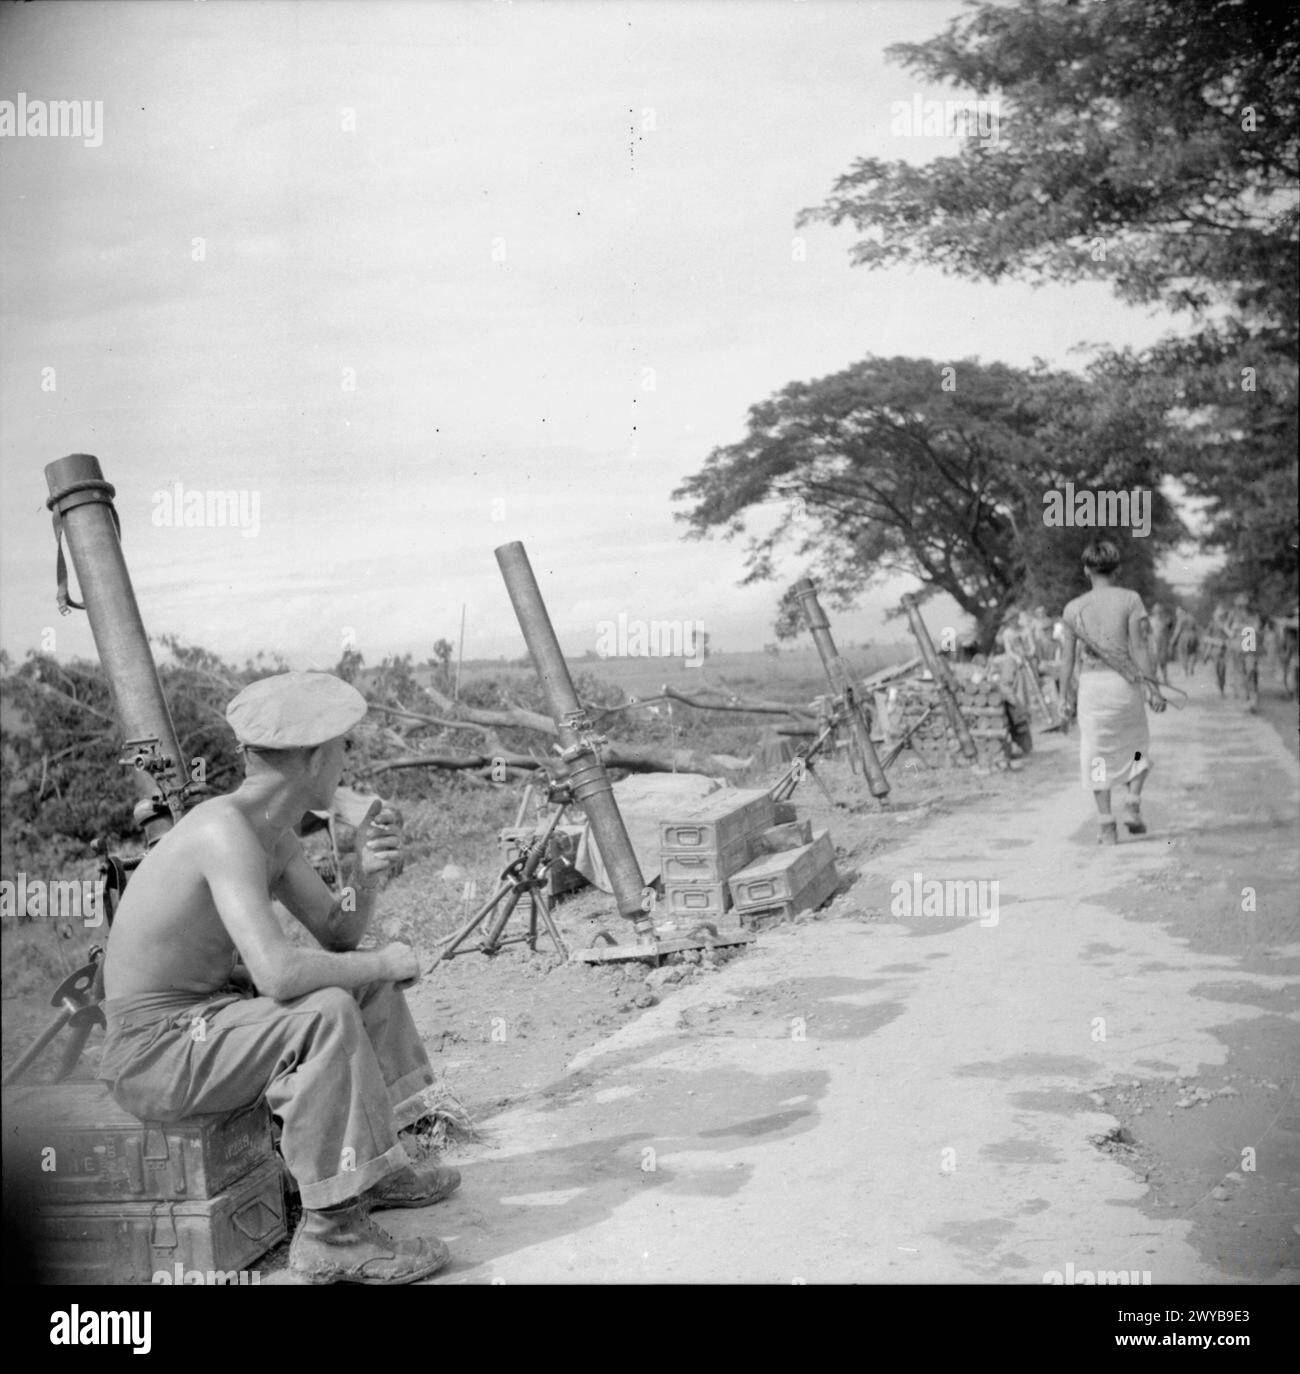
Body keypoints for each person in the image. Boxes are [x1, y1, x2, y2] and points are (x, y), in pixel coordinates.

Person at [97, 672, 456, 1285]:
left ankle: (379, 1166)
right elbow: (280, 972)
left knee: (359, 982)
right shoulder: (223, 830)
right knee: (326, 1011)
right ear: (314, 758)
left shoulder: (272, 834)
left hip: (205, 1020)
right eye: (343, 747)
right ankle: (333, 1233)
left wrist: (365, 874)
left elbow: (336, 936)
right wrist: (386, 961)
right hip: (154, 1049)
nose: (347, 760)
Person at [1058, 540, 1167, 844]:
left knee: (1096, 753)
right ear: (1117, 570)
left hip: (1092, 689)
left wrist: (1062, 697)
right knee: (1136, 746)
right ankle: (1132, 803)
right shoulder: (1130, 600)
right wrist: (1153, 689)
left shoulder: (1073, 608)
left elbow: (1067, 659)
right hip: (1124, 686)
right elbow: (1141, 646)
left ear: (1086, 570)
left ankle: (1107, 827)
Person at [1225, 592, 1263, 713]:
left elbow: (1258, 628)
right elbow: (1226, 627)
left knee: (1251, 670)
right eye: (1240, 602)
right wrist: (1231, 632)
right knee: (1240, 672)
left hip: (1250, 646)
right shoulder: (1233, 614)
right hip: (1237, 646)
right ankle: (1246, 699)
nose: (1242, 605)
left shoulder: (1254, 615)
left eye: (1245, 602)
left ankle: (1253, 698)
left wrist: (1241, 627)